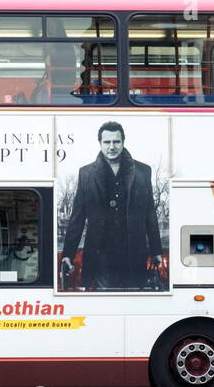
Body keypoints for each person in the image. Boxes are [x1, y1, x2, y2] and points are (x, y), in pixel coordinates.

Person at [60, 121, 163, 291]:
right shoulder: (86, 174)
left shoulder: (143, 171)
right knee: (105, 299)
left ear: (123, 142)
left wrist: (156, 249)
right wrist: (68, 254)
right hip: (101, 254)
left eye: (116, 142)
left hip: (134, 251)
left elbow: (149, 213)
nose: (112, 147)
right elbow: (77, 218)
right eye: (107, 142)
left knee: (134, 298)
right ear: (100, 143)